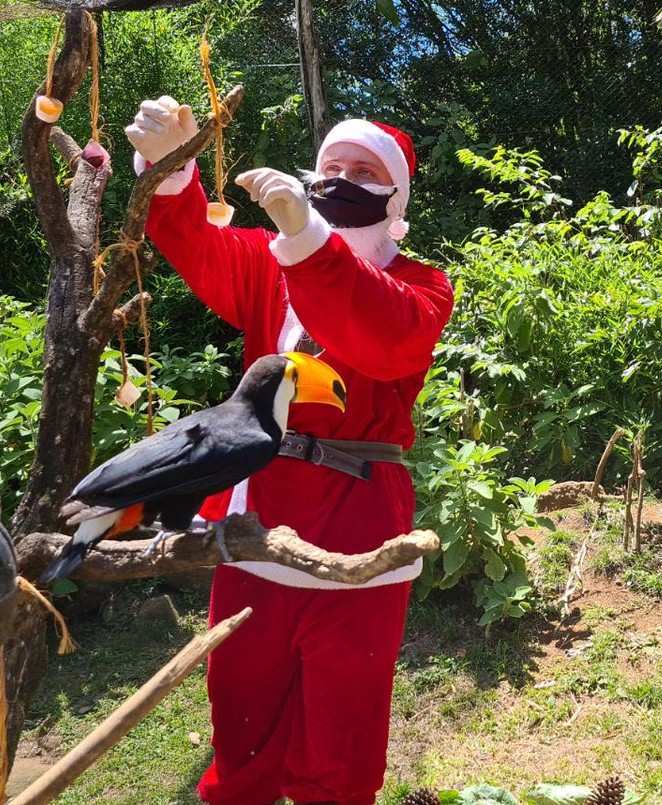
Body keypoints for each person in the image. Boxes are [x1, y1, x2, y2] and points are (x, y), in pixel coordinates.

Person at [125, 96, 455, 805]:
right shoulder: (270, 258)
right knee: (240, 718)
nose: (340, 178)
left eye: (363, 170)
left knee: (339, 748)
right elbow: (204, 251)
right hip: (256, 523)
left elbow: (380, 334)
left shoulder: (422, 285)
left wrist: (308, 239)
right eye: (331, 165)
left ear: (396, 196)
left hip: (358, 529)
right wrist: (174, 170)